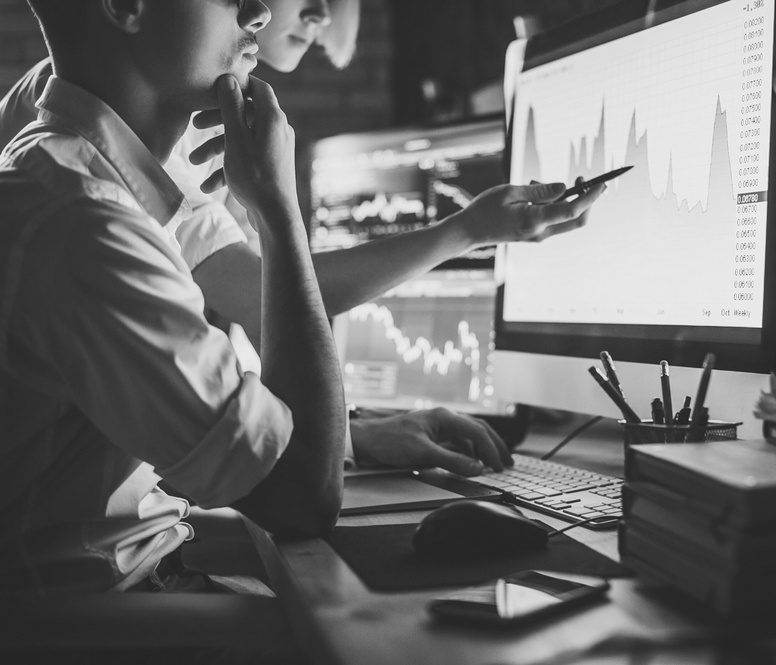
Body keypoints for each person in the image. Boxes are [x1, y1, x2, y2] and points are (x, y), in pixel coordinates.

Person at [0, 0, 603, 599]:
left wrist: (352, 437)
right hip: (94, 614)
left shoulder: (90, 174)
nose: (258, 10)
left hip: (136, 568)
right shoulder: (86, 222)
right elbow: (302, 498)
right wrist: (277, 209)